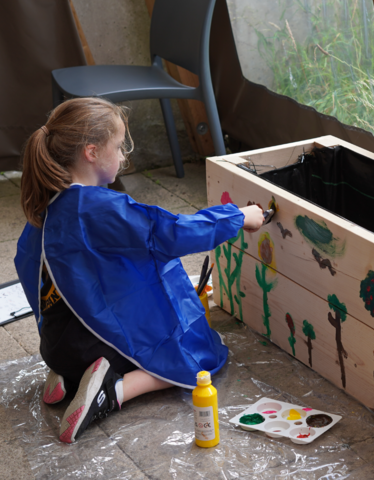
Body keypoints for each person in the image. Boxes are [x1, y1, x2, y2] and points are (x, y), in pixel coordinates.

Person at [14, 97, 264, 444]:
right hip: (94, 349)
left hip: (56, 347)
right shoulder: (98, 207)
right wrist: (238, 216)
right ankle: (113, 390)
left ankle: (67, 378)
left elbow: (27, 268)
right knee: (202, 354)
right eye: (118, 146)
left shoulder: (46, 205)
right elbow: (172, 233)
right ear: (91, 152)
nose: (123, 156)